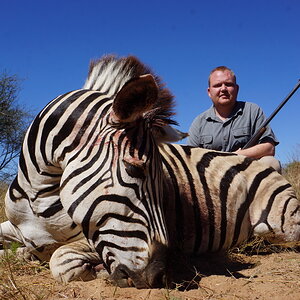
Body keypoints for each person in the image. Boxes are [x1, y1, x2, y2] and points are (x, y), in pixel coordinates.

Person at [187, 66, 281, 172]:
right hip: (212, 175)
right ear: (209, 92)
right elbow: (190, 158)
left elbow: (269, 148)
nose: (223, 89)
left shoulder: (253, 110)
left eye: (228, 84)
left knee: (271, 162)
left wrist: (236, 155)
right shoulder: (199, 122)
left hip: (248, 171)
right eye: (217, 85)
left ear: (237, 89)